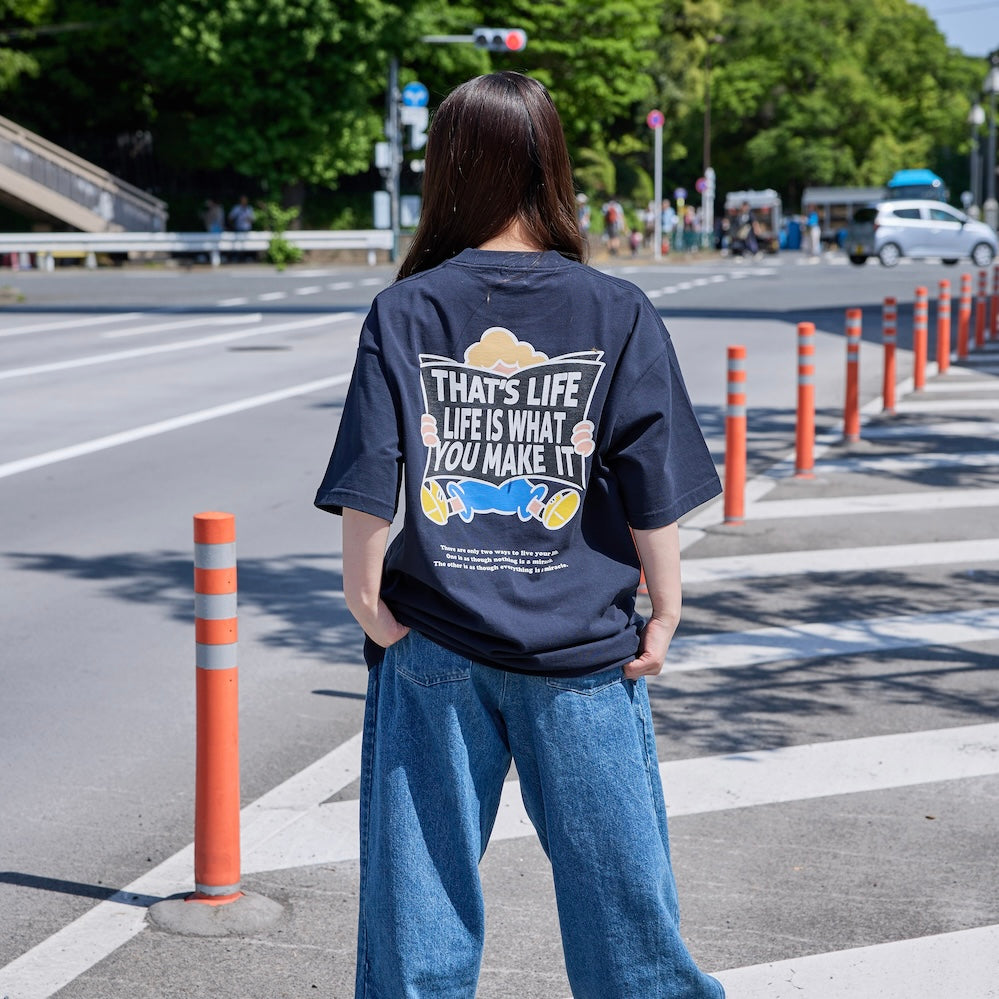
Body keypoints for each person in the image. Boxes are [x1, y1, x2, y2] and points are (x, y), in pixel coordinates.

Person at [314, 72, 725, 999]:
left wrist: (368, 605)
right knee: (626, 921)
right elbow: (649, 478)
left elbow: (371, 481)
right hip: (584, 651)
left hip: (434, 647)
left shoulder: (407, 309)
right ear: (553, 166)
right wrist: (666, 609)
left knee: (417, 924)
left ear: (448, 169)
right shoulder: (613, 308)